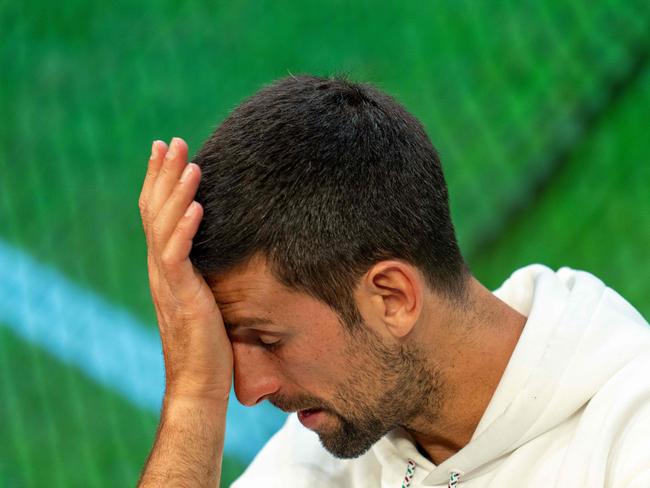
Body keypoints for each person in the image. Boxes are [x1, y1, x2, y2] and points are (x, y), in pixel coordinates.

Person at [137, 75, 650, 487]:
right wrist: (194, 397)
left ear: (392, 297)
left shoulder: (629, 438)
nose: (248, 391)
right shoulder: (327, 451)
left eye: (269, 341)